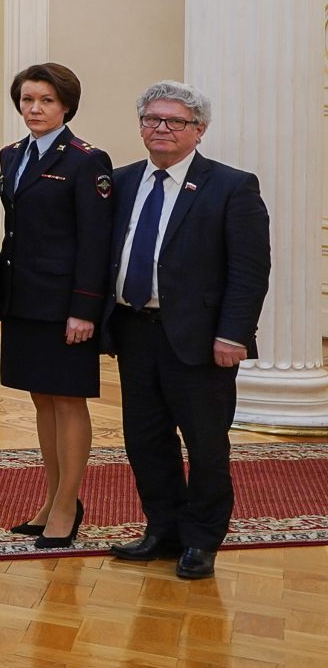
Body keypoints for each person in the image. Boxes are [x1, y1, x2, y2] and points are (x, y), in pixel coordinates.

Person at [104, 82, 269, 581]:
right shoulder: (122, 181)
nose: (161, 129)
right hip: (135, 331)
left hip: (201, 341)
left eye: (175, 121)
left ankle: (201, 539)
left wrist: (234, 335)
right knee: (146, 440)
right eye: (152, 119)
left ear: (199, 130)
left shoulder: (232, 186)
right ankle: (162, 529)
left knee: (206, 445)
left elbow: (249, 270)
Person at [0, 62, 113, 547]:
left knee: (67, 400)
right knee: (41, 398)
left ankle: (67, 505)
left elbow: (94, 240)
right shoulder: (12, 154)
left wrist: (84, 308)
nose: (34, 108)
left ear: (66, 106)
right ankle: (51, 497)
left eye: (45, 101)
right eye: (27, 100)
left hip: (65, 304)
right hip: (23, 298)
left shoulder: (86, 159)